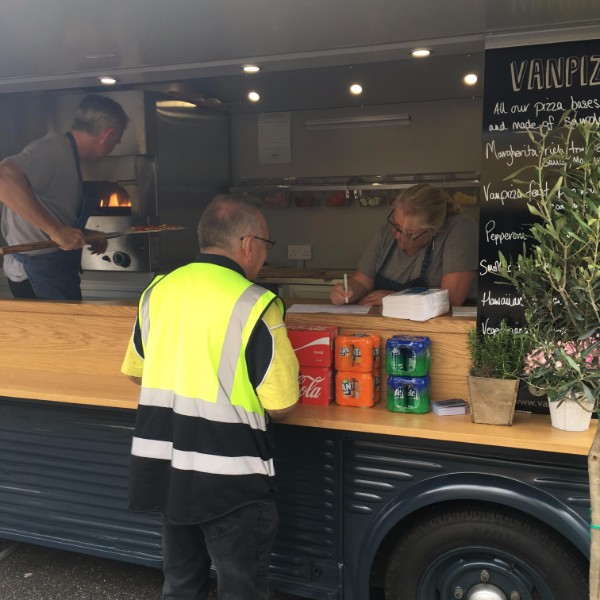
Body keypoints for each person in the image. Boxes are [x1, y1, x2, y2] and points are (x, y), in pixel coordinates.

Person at [121, 194, 299, 600]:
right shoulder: (256, 304)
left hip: (168, 468)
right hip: (230, 478)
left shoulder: (158, 291)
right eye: (266, 247)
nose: (264, 257)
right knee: (242, 589)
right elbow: (281, 404)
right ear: (249, 244)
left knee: (181, 585)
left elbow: (137, 372)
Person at [0, 94, 129, 300]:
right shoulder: (52, 151)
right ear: (107, 134)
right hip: (37, 273)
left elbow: (51, 213)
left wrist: (84, 234)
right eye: (115, 142)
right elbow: (4, 177)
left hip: (52, 269)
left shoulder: (68, 156)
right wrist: (56, 230)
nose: (113, 147)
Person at [330, 183, 478, 307]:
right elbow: (361, 282)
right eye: (395, 224)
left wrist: (397, 299)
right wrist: (347, 290)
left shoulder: (460, 229)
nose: (397, 234)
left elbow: (451, 299)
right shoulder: (385, 235)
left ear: (434, 230)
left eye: (409, 233)